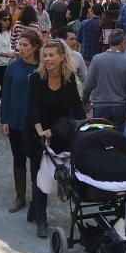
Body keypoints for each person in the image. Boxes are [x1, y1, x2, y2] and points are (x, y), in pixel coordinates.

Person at [28, 39, 85, 237]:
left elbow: (76, 107)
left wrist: (84, 125)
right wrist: (40, 131)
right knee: (39, 175)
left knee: (66, 172)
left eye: (52, 55)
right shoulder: (36, 78)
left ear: (62, 57)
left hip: (61, 132)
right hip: (38, 132)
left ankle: (35, 208)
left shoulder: (68, 78)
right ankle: (40, 218)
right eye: (45, 55)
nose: (47, 59)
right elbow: (33, 107)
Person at [0, 31, 41, 214]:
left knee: (37, 161)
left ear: (35, 47)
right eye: (20, 45)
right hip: (15, 120)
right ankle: (20, 195)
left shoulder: (42, 67)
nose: (22, 48)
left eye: (26, 45)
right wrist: (4, 119)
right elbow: (6, 94)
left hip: (36, 123)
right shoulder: (13, 67)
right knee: (18, 159)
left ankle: (38, 198)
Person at [82, 29, 126, 133]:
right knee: (116, 138)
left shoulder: (97, 59)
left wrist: (85, 100)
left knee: (100, 137)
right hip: (119, 106)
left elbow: (88, 85)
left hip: (100, 105)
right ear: (123, 43)